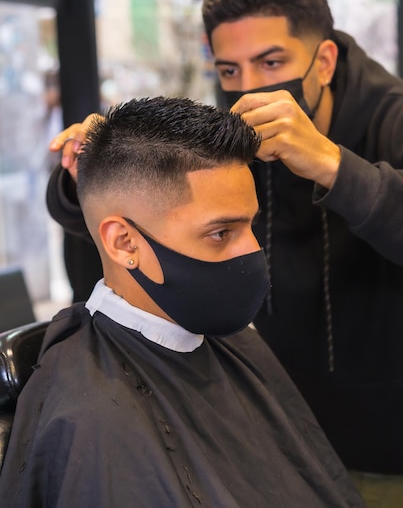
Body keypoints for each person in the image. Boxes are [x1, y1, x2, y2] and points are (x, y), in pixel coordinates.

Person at [46, 0, 403, 507]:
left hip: (390, 439)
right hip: (268, 420)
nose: (249, 89)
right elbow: (152, 231)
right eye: (228, 71)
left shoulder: (399, 120)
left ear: (325, 60)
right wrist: (93, 179)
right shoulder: (237, 133)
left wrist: (333, 164)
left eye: (270, 62)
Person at [0, 97, 364, 507]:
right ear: (124, 242)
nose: (252, 252)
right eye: (221, 233)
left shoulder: (232, 344)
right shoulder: (95, 421)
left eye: (251, 225)